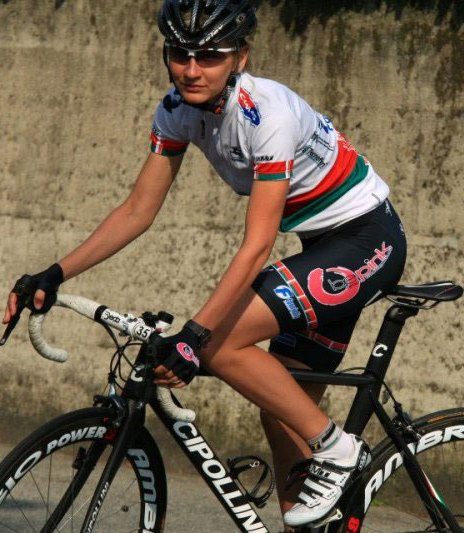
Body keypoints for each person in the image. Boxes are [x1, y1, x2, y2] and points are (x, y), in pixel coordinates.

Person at [3, 0, 407, 529]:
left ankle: (340, 449)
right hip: (320, 248)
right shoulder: (176, 110)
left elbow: (257, 246)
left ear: (241, 56)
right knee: (281, 408)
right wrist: (55, 273)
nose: (192, 70)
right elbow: (137, 210)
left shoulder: (268, 115)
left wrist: (195, 335)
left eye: (210, 56)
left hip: (365, 240)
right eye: (180, 54)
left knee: (218, 343)